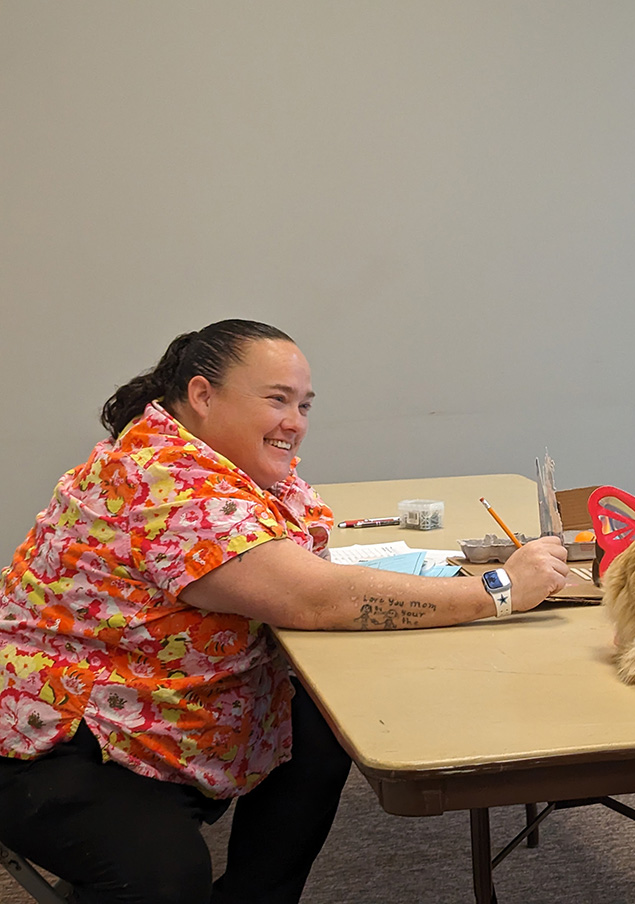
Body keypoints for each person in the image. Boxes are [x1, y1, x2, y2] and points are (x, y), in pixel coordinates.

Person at [0, 319, 569, 904]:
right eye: (277, 400)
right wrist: (499, 591)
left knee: (323, 724)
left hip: (156, 703)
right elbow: (317, 597)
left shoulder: (215, 461)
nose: (294, 423)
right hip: (58, 736)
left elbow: (299, 563)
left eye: (303, 404)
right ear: (202, 395)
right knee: (162, 876)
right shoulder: (164, 479)